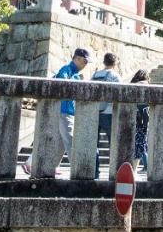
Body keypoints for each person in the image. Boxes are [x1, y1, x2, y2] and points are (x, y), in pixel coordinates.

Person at [22, 48, 89, 177]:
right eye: (84, 61)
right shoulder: (66, 70)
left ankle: (42, 164)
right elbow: (60, 86)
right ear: (77, 59)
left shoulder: (73, 73)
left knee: (60, 143)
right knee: (70, 140)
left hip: (66, 110)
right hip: (63, 111)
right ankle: (78, 169)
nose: (85, 65)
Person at [92, 52, 121, 178]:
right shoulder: (115, 76)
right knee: (114, 144)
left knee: (94, 144)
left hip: (95, 112)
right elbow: (119, 95)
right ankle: (113, 173)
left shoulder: (95, 75)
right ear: (115, 64)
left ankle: (95, 172)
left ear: (104, 62)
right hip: (109, 113)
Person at [131, 70, 150, 173]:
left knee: (135, 145)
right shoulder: (147, 85)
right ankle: (133, 171)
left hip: (132, 117)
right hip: (143, 119)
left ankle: (132, 170)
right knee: (140, 145)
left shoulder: (132, 85)